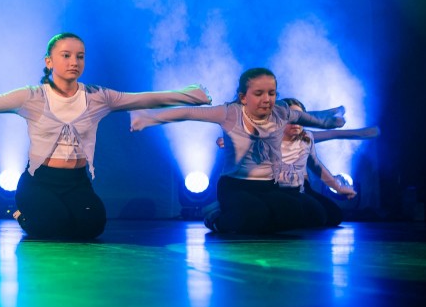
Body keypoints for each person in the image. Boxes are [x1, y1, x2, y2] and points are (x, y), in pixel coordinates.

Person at [0, 32, 211, 240]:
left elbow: (144, 98)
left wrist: (190, 95)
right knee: (52, 227)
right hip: (41, 181)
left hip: (76, 182)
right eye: (66, 55)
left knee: (91, 227)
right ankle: (22, 212)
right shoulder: (32, 97)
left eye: (80, 56)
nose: (74, 62)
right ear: (49, 62)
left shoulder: (97, 97)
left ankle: (53, 215)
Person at [130, 67, 346, 234]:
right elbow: (189, 113)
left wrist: (330, 119)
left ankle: (251, 216)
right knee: (253, 216)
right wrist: (149, 117)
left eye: (271, 93)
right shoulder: (230, 113)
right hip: (235, 186)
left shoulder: (280, 112)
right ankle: (215, 217)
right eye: (259, 93)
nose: (266, 99)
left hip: (267, 187)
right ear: (244, 97)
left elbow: (305, 117)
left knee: (294, 212)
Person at [275, 97, 378, 228]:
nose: (296, 122)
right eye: (292, 118)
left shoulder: (306, 138)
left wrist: (339, 188)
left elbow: (316, 165)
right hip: (277, 188)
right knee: (308, 213)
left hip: (301, 188)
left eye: (301, 118)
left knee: (334, 215)